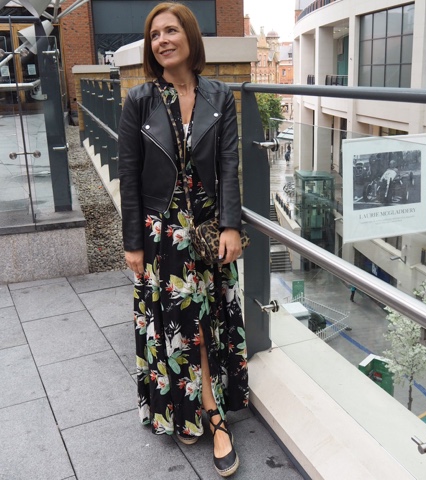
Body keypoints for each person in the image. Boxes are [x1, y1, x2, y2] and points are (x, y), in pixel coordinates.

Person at [118, 3, 248, 477]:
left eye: (171, 31)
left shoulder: (220, 95)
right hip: (162, 234)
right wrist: (133, 242)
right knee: (181, 325)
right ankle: (211, 416)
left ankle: (196, 412)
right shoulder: (139, 101)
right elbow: (129, 177)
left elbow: (229, 164)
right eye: (155, 35)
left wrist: (231, 225)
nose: (162, 41)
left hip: (208, 230)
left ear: (190, 37)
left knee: (206, 321)